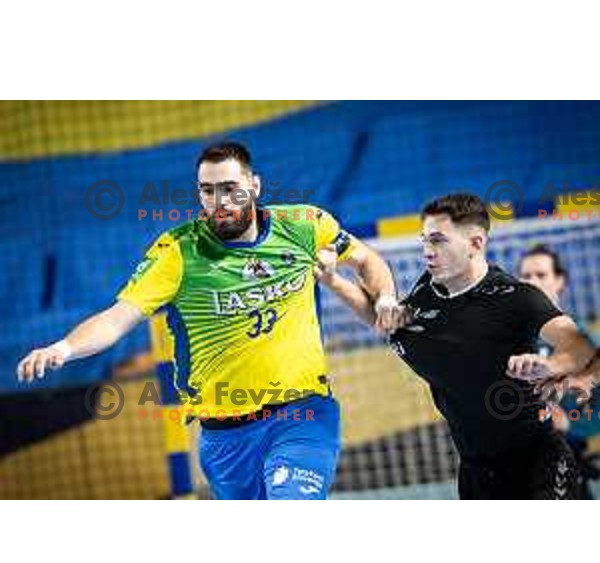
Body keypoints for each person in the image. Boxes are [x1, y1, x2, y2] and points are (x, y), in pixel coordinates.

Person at [16, 141, 400, 500]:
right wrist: (63, 348)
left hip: (301, 414)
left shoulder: (303, 225)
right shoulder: (179, 254)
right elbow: (116, 320)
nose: (220, 201)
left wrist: (384, 297)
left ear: (255, 186)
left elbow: (367, 260)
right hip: (223, 437)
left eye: (231, 188)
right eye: (208, 190)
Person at [316, 193, 599, 499]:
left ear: (476, 243)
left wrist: (551, 365)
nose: (427, 251)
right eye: (424, 241)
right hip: (476, 471)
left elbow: (579, 344)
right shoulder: (427, 291)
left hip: (538, 464)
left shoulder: (516, 297)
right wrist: (333, 281)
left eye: (438, 241)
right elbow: (382, 321)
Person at [518, 244, 600, 497]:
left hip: (566, 465)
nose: (533, 282)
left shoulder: (581, 341)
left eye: (541, 275)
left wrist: (571, 426)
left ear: (560, 281)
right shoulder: (508, 338)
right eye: (526, 276)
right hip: (513, 466)